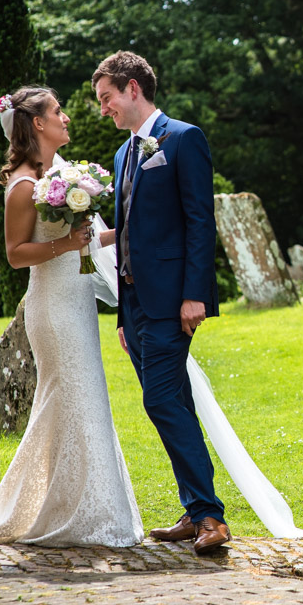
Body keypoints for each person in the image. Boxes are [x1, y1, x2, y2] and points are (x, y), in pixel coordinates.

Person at [0, 86, 144, 547]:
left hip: (77, 302)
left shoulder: (61, 175)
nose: (66, 117)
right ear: (37, 123)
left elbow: (87, 240)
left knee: (79, 403)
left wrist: (133, 227)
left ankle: (80, 509)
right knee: (74, 398)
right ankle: (78, 514)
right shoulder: (22, 185)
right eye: (58, 111)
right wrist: (66, 244)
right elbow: (16, 254)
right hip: (53, 309)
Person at [92, 51, 230, 555]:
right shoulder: (122, 154)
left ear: (132, 88)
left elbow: (200, 221)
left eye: (106, 97)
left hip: (174, 301)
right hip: (136, 307)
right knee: (174, 405)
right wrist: (122, 314)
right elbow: (129, 232)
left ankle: (211, 518)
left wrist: (195, 294)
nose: (103, 108)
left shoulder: (184, 138)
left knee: (161, 401)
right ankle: (195, 511)